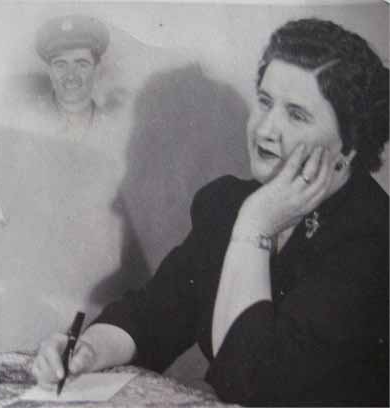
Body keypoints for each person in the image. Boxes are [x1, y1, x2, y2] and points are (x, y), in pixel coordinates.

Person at [32, 18, 389, 406]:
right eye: (265, 102)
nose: (266, 129)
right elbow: (154, 313)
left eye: (296, 115)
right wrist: (88, 349)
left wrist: (255, 227)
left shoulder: (372, 237)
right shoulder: (228, 204)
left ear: (350, 144)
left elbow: (254, 385)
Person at [33, 14, 110, 139]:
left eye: (82, 64)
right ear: (49, 70)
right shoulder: (28, 120)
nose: (70, 76)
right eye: (60, 65)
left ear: (97, 69)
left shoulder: (114, 126)